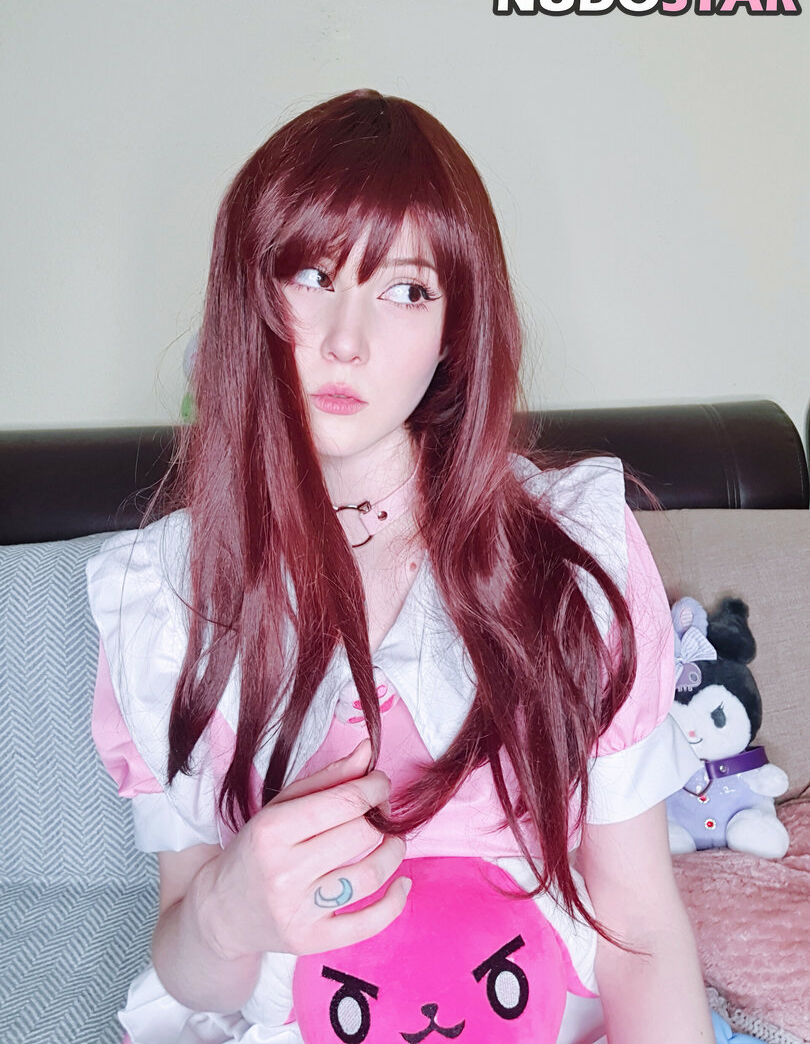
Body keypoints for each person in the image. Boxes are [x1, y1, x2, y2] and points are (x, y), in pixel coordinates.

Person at [87, 88, 718, 1043]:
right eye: (313, 274)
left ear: (455, 327)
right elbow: (191, 965)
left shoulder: (567, 550)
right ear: (251, 295)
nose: (347, 340)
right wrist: (224, 912)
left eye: (407, 291)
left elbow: (640, 928)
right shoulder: (167, 595)